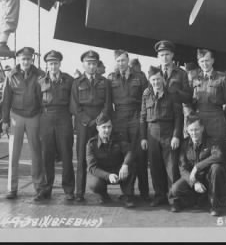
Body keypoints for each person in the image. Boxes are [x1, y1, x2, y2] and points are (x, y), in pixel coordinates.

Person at [1, 47, 47, 201]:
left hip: (34, 116)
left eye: (28, 59)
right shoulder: (11, 75)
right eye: (23, 59)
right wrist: (5, 120)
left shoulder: (40, 75)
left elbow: (44, 98)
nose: (26, 62)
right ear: (18, 60)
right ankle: (11, 189)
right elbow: (6, 99)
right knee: (14, 155)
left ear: (32, 60)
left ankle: (39, 187)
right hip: (16, 117)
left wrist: (43, 117)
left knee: (36, 154)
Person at [192, 48, 226, 204]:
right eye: (202, 61)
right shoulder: (194, 79)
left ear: (213, 61)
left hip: (217, 121)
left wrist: (221, 118)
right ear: (198, 62)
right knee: (201, 157)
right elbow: (191, 102)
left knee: (219, 160)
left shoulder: (223, 79)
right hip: (200, 122)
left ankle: (220, 198)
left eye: (207, 60)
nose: (205, 64)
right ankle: (202, 196)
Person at [70, 50, 112, 202]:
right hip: (83, 124)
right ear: (83, 64)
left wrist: (99, 121)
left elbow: (108, 104)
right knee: (82, 157)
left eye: (94, 63)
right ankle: (79, 192)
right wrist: (89, 121)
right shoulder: (77, 83)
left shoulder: (104, 82)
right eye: (89, 63)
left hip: (101, 124)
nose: (92, 66)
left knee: (102, 156)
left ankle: (103, 192)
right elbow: (74, 107)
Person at [108, 50, 150, 201]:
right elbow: (108, 102)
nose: (121, 63)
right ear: (115, 62)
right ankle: (128, 193)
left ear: (128, 60)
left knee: (140, 155)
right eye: (118, 61)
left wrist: (143, 119)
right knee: (123, 155)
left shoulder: (140, 77)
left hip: (136, 116)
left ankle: (145, 192)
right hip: (119, 118)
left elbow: (147, 98)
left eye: (123, 60)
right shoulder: (111, 78)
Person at [140, 66, 181, 208]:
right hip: (151, 133)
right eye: (153, 80)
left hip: (168, 132)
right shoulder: (146, 94)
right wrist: (143, 138)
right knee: (155, 167)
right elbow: (143, 116)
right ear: (150, 81)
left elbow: (178, 117)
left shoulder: (172, 94)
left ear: (163, 79)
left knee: (171, 167)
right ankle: (160, 196)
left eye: (158, 79)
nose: (156, 82)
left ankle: (174, 198)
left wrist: (176, 135)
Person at [170, 113, 225, 216]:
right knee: (175, 189)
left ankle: (215, 206)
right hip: (194, 179)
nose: (194, 133)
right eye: (191, 130)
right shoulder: (185, 144)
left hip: (209, 179)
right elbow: (182, 168)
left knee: (216, 168)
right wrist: (194, 183)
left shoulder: (211, 141)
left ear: (202, 128)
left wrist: (197, 166)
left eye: (196, 130)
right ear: (187, 131)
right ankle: (197, 200)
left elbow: (218, 155)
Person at [38, 50, 75, 201]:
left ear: (60, 64)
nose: (53, 66)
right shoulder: (40, 81)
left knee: (66, 154)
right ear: (46, 65)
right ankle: (46, 189)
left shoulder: (69, 80)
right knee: (47, 155)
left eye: (56, 63)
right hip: (46, 118)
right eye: (50, 64)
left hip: (64, 117)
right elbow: (36, 101)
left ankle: (69, 189)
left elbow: (73, 100)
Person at [87, 113, 136, 208]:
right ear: (97, 128)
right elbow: (92, 167)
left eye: (109, 127)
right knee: (94, 184)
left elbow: (129, 152)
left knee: (132, 165)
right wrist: (108, 176)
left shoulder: (119, 138)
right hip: (104, 174)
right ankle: (103, 195)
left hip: (119, 171)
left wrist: (125, 165)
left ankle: (128, 195)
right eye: (104, 127)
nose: (107, 130)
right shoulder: (91, 144)